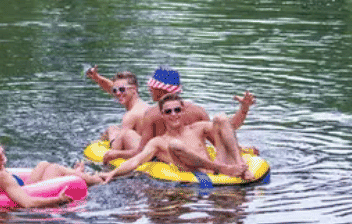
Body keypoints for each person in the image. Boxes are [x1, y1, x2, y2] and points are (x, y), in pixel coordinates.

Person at [98, 67, 255, 163]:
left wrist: (114, 154)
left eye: (152, 87)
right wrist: (243, 110)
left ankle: (111, 140)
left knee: (123, 133)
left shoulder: (152, 114)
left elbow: (141, 152)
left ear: (160, 89)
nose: (149, 90)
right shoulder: (197, 110)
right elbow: (218, 135)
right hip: (196, 158)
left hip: (166, 160)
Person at [98, 93, 255, 183]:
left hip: (220, 172)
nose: (173, 114)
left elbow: (230, 126)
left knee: (220, 118)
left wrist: (244, 108)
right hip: (196, 176)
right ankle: (223, 168)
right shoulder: (159, 142)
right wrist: (112, 173)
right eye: (168, 112)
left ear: (182, 111)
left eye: (177, 110)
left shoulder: (197, 128)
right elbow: (136, 160)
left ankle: (241, 166)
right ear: (162, 115)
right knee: (174, 145)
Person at [0, 129, 104, 208]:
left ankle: (82, 174)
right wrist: (57, 200)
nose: (0, 152)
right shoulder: (2, 177)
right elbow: (27, 203)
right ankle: (98, 179)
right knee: (55, 168)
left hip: (22, 188)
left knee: (43, 164)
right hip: (28, 194)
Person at [85, 67, 149, 155]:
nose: (118, 93)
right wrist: (97, 77)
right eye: (115, 90)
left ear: (134, 89)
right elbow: (111, 87)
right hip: (146, 145)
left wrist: (111, 134)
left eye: (122, 89)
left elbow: (116, 148)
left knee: (112, 129)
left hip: (140, 154)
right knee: (114, 129)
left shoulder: (130, 115)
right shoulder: (143, 105)